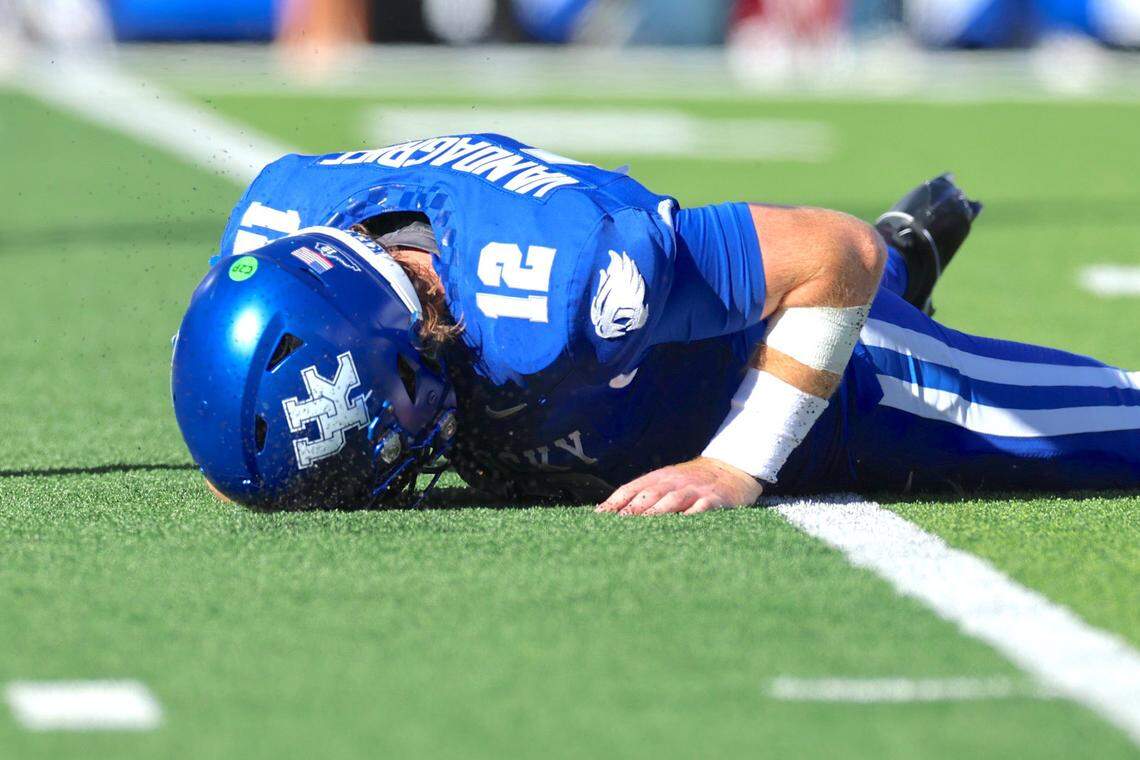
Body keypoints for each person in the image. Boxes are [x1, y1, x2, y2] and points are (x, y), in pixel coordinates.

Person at [171, 133, 1140, 514]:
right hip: (618, 377)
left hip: (793, 382)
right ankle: (905, 266)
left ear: (411, 342)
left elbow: (831, 251)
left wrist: (737, 463)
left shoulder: (563, 286)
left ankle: (893, 309)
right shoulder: (275, 229)